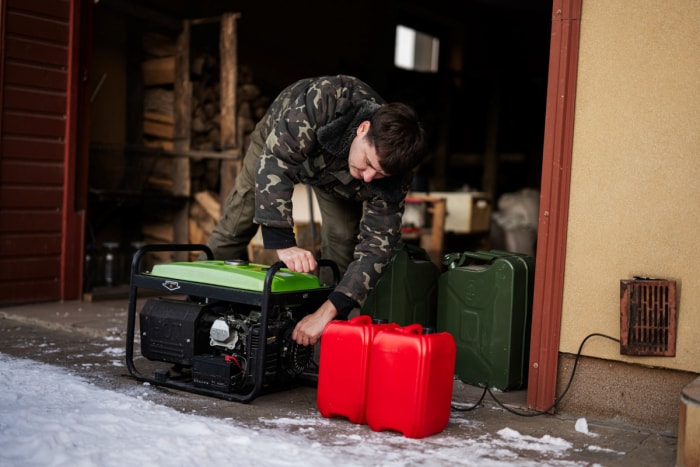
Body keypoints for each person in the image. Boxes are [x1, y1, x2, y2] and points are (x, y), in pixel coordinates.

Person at [205, 75, 427, 346]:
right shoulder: (327, 99)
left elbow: (376, 249)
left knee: (343, 240)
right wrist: (283, 242)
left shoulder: (392, 173)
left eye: (379, 174)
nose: (369, 177)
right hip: (278, 145)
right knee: (235, 226)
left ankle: (320, 339)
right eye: (368, 163)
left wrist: (328, 310)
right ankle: (201, 321)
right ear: (363, 128)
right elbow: (277, 162)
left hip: (338, 177)